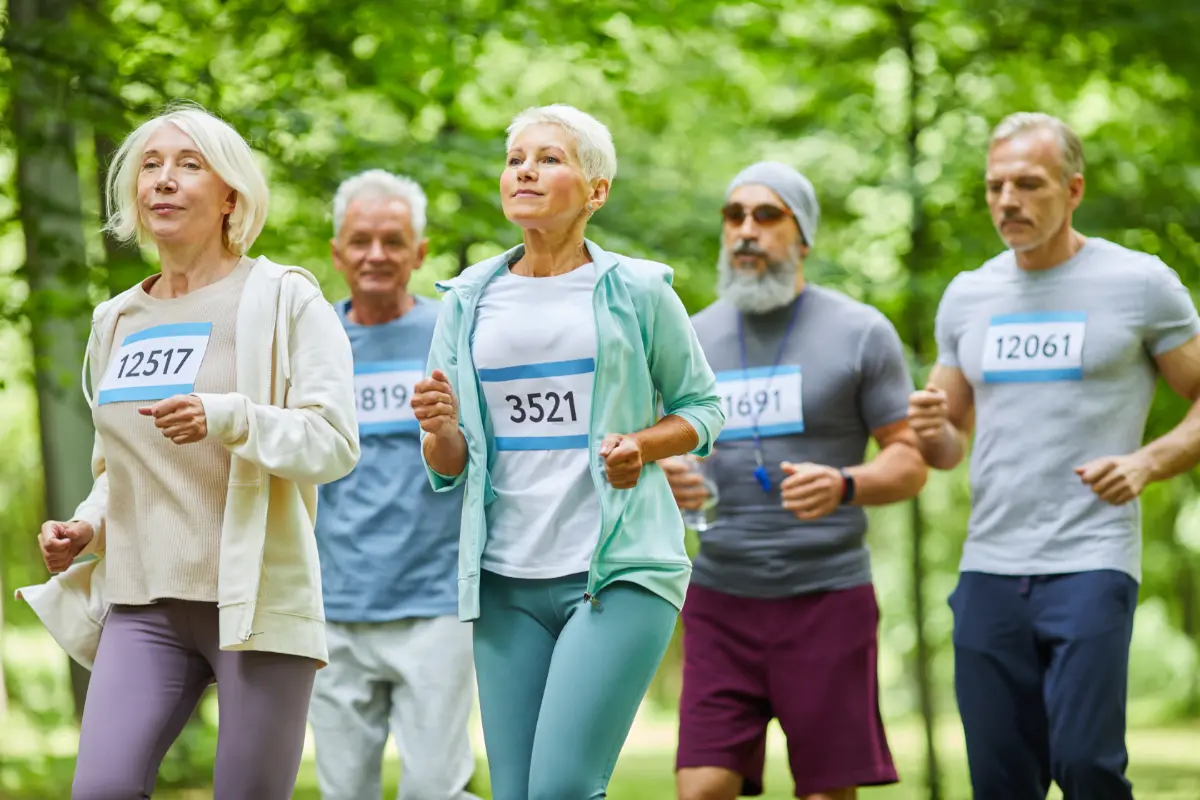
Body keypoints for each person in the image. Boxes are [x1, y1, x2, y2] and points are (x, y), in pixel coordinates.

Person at [17, 103, 359, 799]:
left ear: (231, 194)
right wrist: (88, 527)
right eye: (150, 165)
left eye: (188, 164)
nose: (163, 180)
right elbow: (121, 467)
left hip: (253, 599)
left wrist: (226, 416)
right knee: (101, 791)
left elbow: (332, 442)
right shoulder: (117, 318)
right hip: (142, 601)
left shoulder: (284, 298)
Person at [411, 103, 725, 800]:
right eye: (516, 158)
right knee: (519, 792)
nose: (525, 169)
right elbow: (448, 464)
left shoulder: (638, 290)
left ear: (596, 191)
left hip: (616, 569)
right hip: (503, 578)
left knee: (561, 786)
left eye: (550, 158)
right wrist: (439, 429)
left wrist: (641, 446)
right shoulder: (465, 300)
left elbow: (704, 409)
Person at [908, 112, 1200, 800]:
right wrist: (927, 429)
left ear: (1072, 190)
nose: (1008, 200)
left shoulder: (1139, 284)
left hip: (1091, 562)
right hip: (988, 569)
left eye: (1028, 184)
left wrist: (1146, 463)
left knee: (1085, 766)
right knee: (1000, 782)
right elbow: (948, 444)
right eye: (995, 186)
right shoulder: (968, 295)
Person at [662, 162, 927, 800]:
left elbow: (910, 460)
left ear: (803, 235)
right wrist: (670, 475)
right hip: (721, 598)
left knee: (825, 793)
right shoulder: (690, 338)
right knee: (699, 788)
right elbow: (663, 452)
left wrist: (844, 484)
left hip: (827, 597)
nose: (746, 230)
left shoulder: (861, 332)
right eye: (734, 216)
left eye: (767, 215)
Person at [307, 169, 479, 800]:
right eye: (359, 241)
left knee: (435, 788)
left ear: (420, 252)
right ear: (336, 252)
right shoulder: (307, 341)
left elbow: (473, 460)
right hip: (331, 608)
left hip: (434, 605)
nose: (375, 255)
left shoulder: (454, 337)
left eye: (393, 240)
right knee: (343, 790)